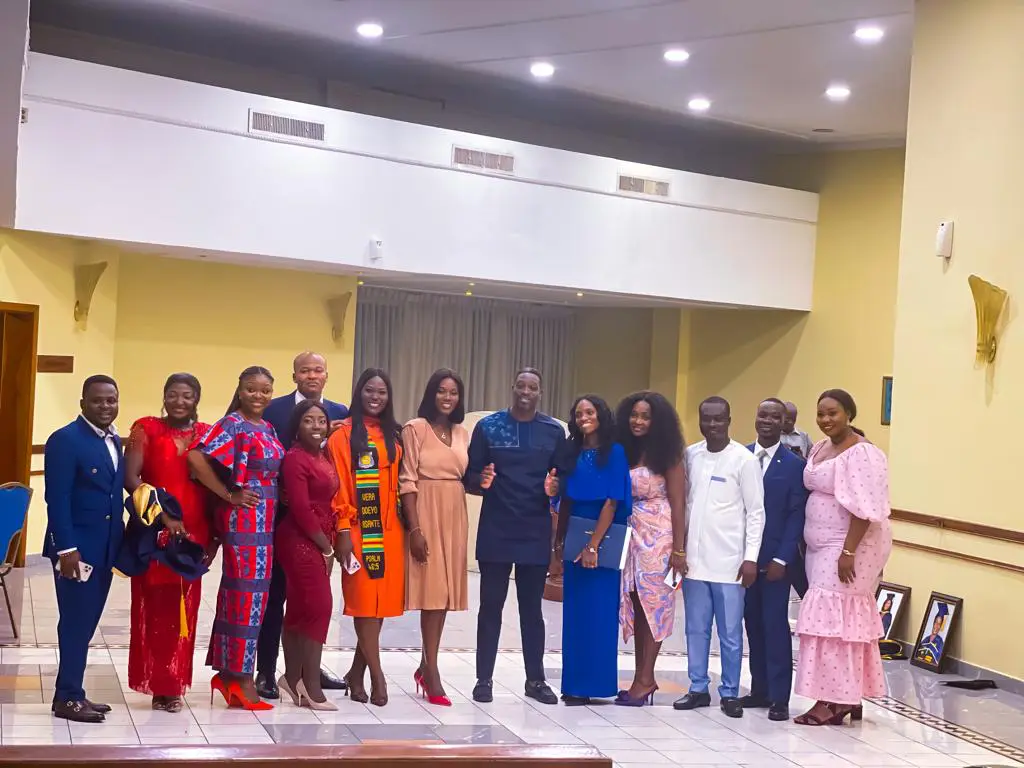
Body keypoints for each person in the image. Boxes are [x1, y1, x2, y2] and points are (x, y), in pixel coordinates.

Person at [465, 368, 568, 706]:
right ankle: (483, 679)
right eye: (521, 385)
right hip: (496, 529)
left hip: (534, 530)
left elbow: (564, 479)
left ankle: (535, 680)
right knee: (490, 608)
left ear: (540, 392)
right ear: (513, 388)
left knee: (531, 611)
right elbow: (469, 476)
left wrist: (555, 488)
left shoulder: (553, 431)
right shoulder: (489, 427)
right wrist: (481, 481)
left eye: (532, 387)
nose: (526, 391)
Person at [187, 366, 284, 711]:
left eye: (265, 390)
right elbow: (196, 457)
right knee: (245, 594)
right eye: (251, 389)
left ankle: (230, 674)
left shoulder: (267, 427)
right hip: (244, 521)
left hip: (265, 523)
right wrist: (228, 495)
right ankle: (241, 677)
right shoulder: (233, 424)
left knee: (250, 595)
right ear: (240, 391)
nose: (258, 396)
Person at [794, 389, 892, 726]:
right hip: (821, 547)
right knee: (836, 623)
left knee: (836, 621)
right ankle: (848, 695)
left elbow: (866, 509)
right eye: (820, 413)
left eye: (832, 413)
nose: (825, 419)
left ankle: (833, 701)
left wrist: (848, 551)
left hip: (851, 546)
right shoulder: (821, 447)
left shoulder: (863, 453)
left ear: (849, 414)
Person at [256, 351, 348, 699]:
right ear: (294, 375)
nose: (312, 375)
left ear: (326, 375)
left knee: (307, 603)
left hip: (323, 524)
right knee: (276, 598)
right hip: (282, 521)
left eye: (318, 370)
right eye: (305, 370)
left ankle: (307, 671)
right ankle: (267, 671)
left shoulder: (339, 412)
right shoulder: (274, 409)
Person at [124, 373, 212, 713]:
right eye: (173, 394)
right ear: (164, 396)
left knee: (185, 610)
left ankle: (174, 683)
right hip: (156, 533)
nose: (179, 401)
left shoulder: (206, 434)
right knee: (158, 608)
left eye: (187, 395)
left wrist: (214, 538)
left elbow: (216, 483)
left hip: (194, 535)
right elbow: (131, 478)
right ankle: (161, 685)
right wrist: (163, 515)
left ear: (196, 399)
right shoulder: (145, 429)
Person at [674, 396, 764, 719]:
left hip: (730, 565)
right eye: (706, 419)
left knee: (730, 633)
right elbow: (683, 505)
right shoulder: (690, 456)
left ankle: (729, 692)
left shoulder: (744, 460)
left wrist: (751, 557)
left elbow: (756, 513)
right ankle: (698, 687)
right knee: (695, 630)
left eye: (718, 419)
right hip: (694, 563)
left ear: (729, 420)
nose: (712, 425)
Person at [44, 375, 125, 723]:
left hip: (105, 548)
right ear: (83, 404)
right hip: (77, 551)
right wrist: (66, 549)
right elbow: (57, 498)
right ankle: (68, 698)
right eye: (97, 400)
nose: (105, 406)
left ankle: (71, 691)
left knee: (87, 622)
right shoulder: (65, 439)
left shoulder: (114, 439)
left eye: (111, 400)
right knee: (75, 623)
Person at [327, 368, 404, 707]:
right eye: (369, 390)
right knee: (363, 601)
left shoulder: (394, 434)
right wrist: (343, 529)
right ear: (359, 393)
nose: (375, 397)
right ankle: (377, 675)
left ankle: (356, 673)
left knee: (379, 605)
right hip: (360, 528)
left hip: (391, 531)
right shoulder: (342, 436)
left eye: (382, 392)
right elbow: (340, 486)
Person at [551, 395, 631, 705]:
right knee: (575, 616)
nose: (584, 417)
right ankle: (574, 686)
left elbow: (612, 502)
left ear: (601, 415)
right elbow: (564, 499)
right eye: (578, 413)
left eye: (590, 412)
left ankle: (597, 684)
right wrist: (559, 545)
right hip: (574, 535)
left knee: (600, 615)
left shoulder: (615, 451)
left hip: (603, 536)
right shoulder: (570, 451)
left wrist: (593, 546)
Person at [400, 369, 470, 707]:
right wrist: (415, 529)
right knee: (431, 593)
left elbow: (469, 476)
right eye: (442, 390)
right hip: (425, 510)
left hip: (454, 513)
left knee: (442, 596)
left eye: (453, 392)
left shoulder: (463, 433)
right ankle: (432, 671)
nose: (447, 397)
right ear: (431, 393)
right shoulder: (415, 428)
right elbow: (407, 480)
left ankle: (426, 664)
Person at [615, 391, 686, 706]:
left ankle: (645, 679)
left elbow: (679, 503)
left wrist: (679, 551)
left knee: (654, 606)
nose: (638, 421)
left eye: (645, 416)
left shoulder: (668, 454)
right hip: (630, 535)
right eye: (634, 415)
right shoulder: (625, 450)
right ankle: (641, 678)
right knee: (635, 602)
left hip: (659, 537)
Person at [741, 398, 808, 722]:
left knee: (775, 627)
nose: (767, 421)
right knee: (752, 625)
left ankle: (779, 697)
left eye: (775, 417)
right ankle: (760, 690)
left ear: (785, 423)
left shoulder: (794, 465)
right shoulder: (740, 456)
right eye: (762, 414)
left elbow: (796, 516)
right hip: (743, 561)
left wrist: (783, 557)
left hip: (775, 563)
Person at [276, 399, 340, 711]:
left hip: (318, 538)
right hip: (300, 539)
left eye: (321, 421)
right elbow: (301, 509)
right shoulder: (295, 458)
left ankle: (292, 678)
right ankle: (312, 685)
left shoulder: (323, 455)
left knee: (301, 609)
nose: (316, 426)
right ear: (297, 426)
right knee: (319, 607)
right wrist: (326, 547)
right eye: (308, 420)